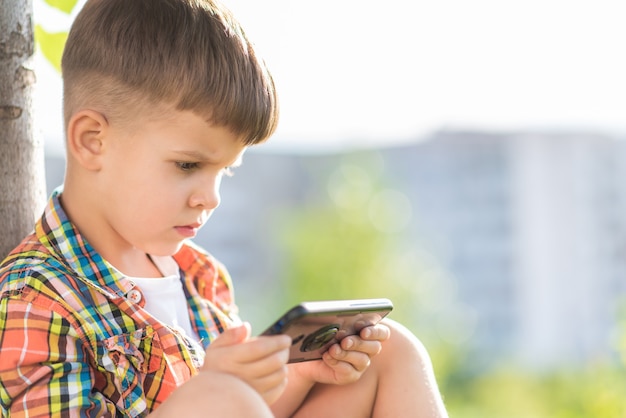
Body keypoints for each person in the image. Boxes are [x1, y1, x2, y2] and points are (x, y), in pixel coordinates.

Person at [0, 0, 448, 416]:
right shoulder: (34, 300)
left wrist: (297, 376)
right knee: (221, 394)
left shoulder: (201, 278)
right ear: (92, 141)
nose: (210, 197)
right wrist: (215, 390)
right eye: (188, 165)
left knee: (392, 351)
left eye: (225, 171)